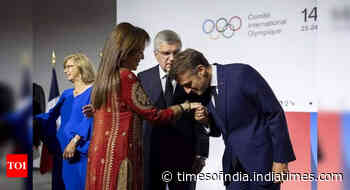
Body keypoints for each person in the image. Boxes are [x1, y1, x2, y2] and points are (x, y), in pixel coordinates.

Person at [85, 23, 201, 190]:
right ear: (125, 52)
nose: (141, 56)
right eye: (139, 51)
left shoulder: (105, 77)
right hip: (123, 157)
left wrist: (201, 153)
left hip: (102, 156)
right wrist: (185, 107)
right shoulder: (128, 77)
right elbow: (155, 115)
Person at [169, 49, 296, 190]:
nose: (187, 91)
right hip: (234, 170)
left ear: (201, 70)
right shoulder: (203, 92)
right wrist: (206, 121)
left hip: (263, 165)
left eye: (188, 84)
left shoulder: (241, 74)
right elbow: (220, 130)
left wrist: (281, 159)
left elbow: (274, 113)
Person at [138, 30, 209, 190]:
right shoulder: (142, 79)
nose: (172, 58)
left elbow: (201, 117)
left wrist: (201, 153)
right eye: (166, 53)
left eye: (176, 53)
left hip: (185, 156)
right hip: (151, 156)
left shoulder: (194, 78)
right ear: (156, 54)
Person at [35, 53, 95, 190]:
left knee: (77, 185)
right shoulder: (67, 94)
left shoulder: (94, 92)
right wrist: (32, 120)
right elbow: (50, 115)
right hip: (61, 148)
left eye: (69, 66)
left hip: (79, 150)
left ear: (81, 67)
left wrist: (74, 142)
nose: (65, 70)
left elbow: (90, 120)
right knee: (60, 185)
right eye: (64, 67)